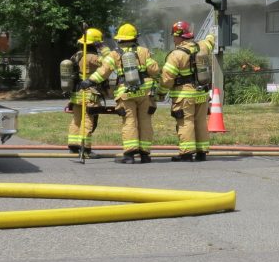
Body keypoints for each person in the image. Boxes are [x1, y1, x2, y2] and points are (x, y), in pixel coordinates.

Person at [83, 23, 161, 164]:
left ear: (119, 39)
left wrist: (89, 81)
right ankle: (145, 155)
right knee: (145, 121)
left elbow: (104, 71)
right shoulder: (144, 51)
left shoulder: (114, 54)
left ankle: (130, 155)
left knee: (129, 122)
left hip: (126, 92)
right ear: (135, 38)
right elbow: (154, 70)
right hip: (145, 92)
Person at [159, 20, 216, 161]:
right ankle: (202, 152)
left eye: (174, 36)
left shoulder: (176, 55)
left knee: (186, 122)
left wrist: (160, 92)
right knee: (201, 121)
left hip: (184, 95)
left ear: (178, 36)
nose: (173, 38)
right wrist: (212, 32)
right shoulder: (202, 47)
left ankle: (186, 153)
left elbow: (167, 79)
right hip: (202, 93)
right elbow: (210, 41)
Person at [62, 27, 109, 159]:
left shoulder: (76, 55)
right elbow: (111, 61)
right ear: (95, 44)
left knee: (76, 120)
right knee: (88, 120)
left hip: (76, 93)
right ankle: (85, 149)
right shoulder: (93, 57)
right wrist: (103, 48)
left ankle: (73, 146)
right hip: (89, 93)